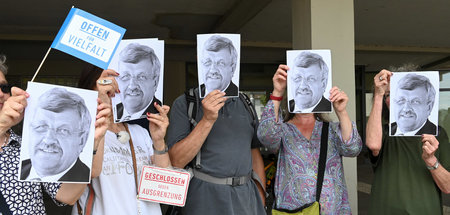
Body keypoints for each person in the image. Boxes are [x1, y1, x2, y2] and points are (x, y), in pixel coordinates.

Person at [0, 55, 111, 214]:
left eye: (3, 87)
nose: (0, 94)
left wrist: (92, 142)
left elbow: (68, 195)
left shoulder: (24, 147)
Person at [257, 64, 362, 214]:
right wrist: (277, 91)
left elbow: (353, 148)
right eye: (298, 80)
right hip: (292, 211)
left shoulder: (330, 129)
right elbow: (266, 136)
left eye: (311, 79)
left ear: (322, 85)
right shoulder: (283, 130)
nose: (304, 86)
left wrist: (342, 112)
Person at [73, 65, 171, 215]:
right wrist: (101, 107)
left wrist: (158, 141)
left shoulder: (141, 132)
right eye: (106, 82)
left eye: (120, 82)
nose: (113, 89)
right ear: (90, 88)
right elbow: (89, 172)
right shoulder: (78, 132)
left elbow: (166, 187)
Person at [167, 79, 266, 213]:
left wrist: (260, 201)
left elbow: (254, 154)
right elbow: (176, 161)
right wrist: (207, 120)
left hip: (244, 200)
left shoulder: (245, 102)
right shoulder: (186, 102)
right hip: (203, 200)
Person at [366, 68, 450, 214]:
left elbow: (447, 186)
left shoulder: (437, 134)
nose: (406, 108)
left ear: (429, 105)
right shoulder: (384, 132)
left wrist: (431, 161)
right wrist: (379, 94)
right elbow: (373, 144)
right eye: (394, 97)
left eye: (416, 101)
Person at [20, 87, 91, 182]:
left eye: (63, 130)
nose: (48, 140)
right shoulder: (16, 167)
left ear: (82, 140)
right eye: (41, 127)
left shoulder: (85, 180)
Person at [115, 43, 162, 122]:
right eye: (125, 76)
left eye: (141, 77)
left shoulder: (162, 116)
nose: (132, 86)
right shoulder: (112, 112)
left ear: (155, 82)